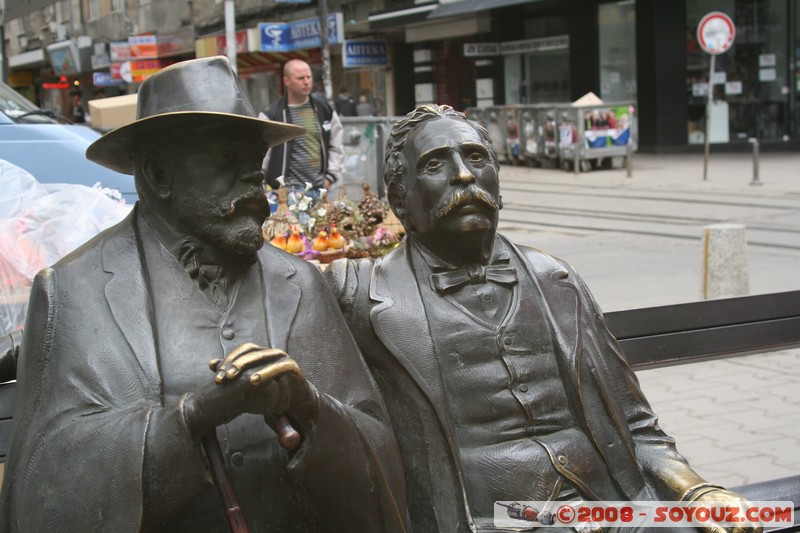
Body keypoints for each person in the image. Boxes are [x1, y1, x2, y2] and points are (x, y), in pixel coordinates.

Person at [0, 56, 407, 532]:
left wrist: (312, 408)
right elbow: (43, 487)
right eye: (225, 158)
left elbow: (379, 450)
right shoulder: (74, 290)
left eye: (254, 160)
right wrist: (189, 420)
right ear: (157, 175)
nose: (256, 178)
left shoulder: (302, 283)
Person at [324, 104, 757, 532]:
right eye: (436, 164)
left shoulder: (557, 280)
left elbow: (636, 424)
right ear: (400, 199)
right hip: (482, 521)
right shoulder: (360, 293)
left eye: (476, 158)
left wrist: (696, 492)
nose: (463, 175)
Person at [261, 60, 344, 201]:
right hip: (287, 194)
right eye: (300, 78)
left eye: (309, 77)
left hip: (320, 189)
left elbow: (336, 144)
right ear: (286, 81)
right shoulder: (272, 115)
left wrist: (330, 178)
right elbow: (262, 155)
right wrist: (264, 188)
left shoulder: (324, 109)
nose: (306, 82)